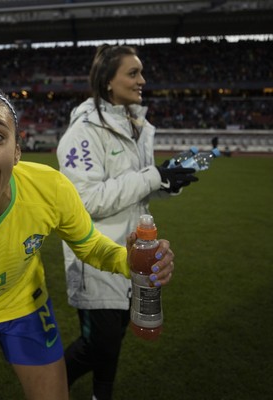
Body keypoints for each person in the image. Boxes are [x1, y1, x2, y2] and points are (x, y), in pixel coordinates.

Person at [0, 82, 176, 400]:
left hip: (26, 304)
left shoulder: (50, 189)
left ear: (16, 150)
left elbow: (90, 245)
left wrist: (129, 259)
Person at [55, 44, 198, 400]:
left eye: (141, 72)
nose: (142, 80)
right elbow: (85, 202)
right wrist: (153, 176)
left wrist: (168, 182)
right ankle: (45, 389)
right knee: (95, 344)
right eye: (132, 73)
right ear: (108, 81)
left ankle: (101, 395)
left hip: (133, 253)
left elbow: (136, 189)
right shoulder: (83, 132)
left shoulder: (138, 125)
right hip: (95, 258)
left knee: (113, 339)